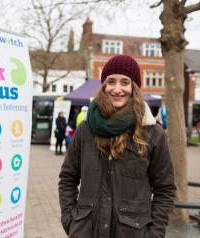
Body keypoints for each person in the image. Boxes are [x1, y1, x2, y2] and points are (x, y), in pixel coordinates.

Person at [58, 55, 176, 238]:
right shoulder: (86, 129)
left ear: (134, 87)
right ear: (104, 85)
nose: (117, 89)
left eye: (125, 82)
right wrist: (70, 220)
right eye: (111, 81)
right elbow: (68, 178)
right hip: (86, 232)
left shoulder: (152, 133)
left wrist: (154, 233)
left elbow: (165, 189)